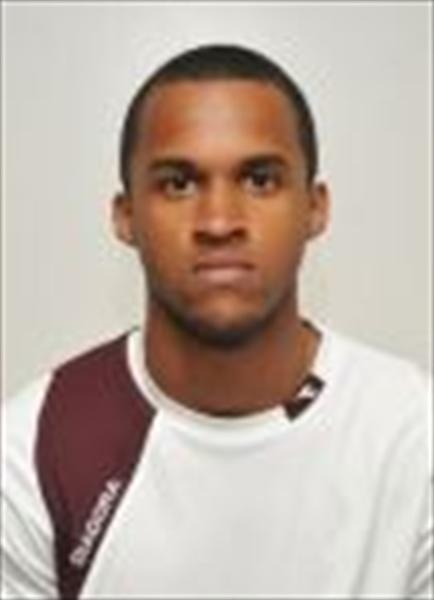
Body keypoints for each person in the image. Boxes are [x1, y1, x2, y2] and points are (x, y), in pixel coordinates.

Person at [2, 44, 432, 600]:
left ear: (315, 207)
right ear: (126, 217)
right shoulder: (32, 453)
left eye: (260, 180)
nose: (220, 222)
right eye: (178, 183)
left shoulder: (414, 437)